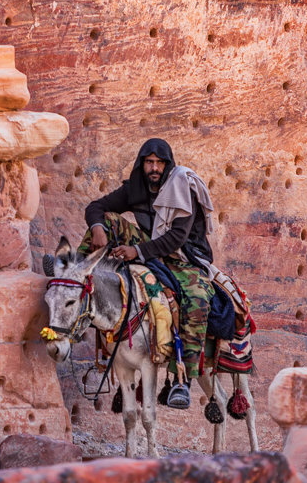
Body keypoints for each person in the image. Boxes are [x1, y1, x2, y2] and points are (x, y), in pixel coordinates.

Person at [80, 137, 215, 409]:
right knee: (107, 220)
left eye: (159, 162)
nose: (153, 168)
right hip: (147, 246)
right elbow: (95, 206)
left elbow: (177, 237)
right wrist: (97, 226)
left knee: (197, 299)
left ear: (167, 165)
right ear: (142, 164)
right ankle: (77, 272)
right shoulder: (136, 188)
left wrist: (137, 252)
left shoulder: (181, 188)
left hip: (184, 257)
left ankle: (181, 379)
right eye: (149, 162)